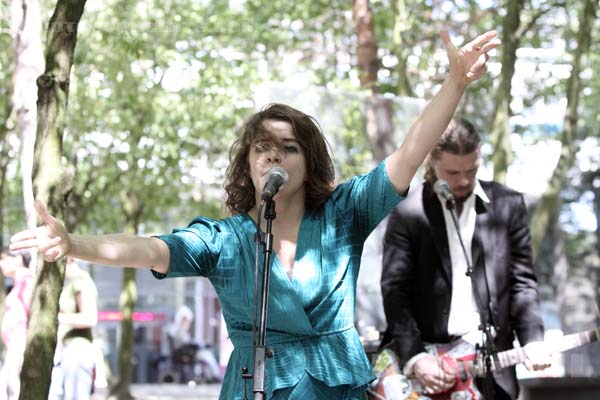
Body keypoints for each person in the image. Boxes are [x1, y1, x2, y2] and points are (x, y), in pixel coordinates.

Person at [9, 29, 500, 400]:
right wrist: (75, 244)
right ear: (248, 162)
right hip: (255, 385)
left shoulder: (345, 214)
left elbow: (409, 153)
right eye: (262, 148)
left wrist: (455, 81)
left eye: (289, 148)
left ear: (309, 164)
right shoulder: (225, 240)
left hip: (339, 384)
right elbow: (154, 248)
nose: (274, 157)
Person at [379, 117, 552, 400]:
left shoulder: (509, 205)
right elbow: (394, 290)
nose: (463, 181)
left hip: (492, 365)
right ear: (431, 162)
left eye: (471, 170)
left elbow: (523, 283)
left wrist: (533, 339)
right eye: (452, 172)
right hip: (428, 360)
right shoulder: (408, 213)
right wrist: (415, 356)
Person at [48, 257, 98, 400]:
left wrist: (56, 318)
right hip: (66, 350)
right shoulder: (70, 283)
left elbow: (90, 318)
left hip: (77, 351)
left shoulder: (81, 281)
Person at [0, 247, 33, 400]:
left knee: (15, 390)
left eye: (4, 258)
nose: (1, 263)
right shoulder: (18, 283)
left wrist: (23, 352)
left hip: (20, 346)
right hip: (14, 346)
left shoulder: (27, 281)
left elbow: (30, 315)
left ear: (18, 259)